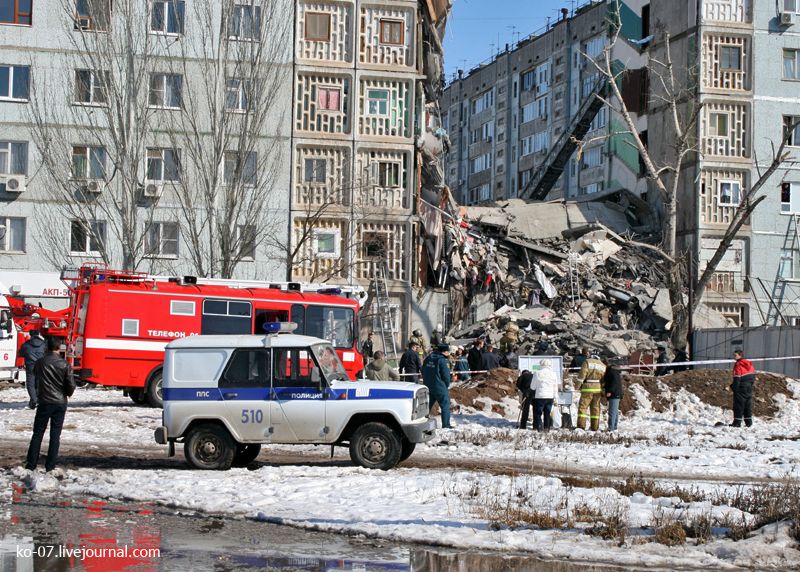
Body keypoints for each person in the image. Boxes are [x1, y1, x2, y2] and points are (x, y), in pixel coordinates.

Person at [25, 336, 76, 474]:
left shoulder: (40, 363)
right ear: (59, 348)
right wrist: (65, 393)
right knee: (55, 435)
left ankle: (31, 464)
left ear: (47, 347)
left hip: (44, 402)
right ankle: (50, 466)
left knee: (37, 433)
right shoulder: (64, 364)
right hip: (59, 402)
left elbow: (35, 379)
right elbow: (71, 385)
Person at [422, 343, 453, 428]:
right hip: (440, 386)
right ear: (445, 351)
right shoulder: (443, 360)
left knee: (427, 405)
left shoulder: (428, 358)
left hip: (428, 386)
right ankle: (446, 425)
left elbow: (422, 370)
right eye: (448, 351)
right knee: (445, 405)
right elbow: (446, 375)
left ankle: (421, 422)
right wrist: (446, 385)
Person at [577, 354, 606, 431]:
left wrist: (577, 386)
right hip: (598, 388)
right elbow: (604, 380)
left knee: (583, 407)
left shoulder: (587, 362)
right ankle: (595, 427)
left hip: (587, 387)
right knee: (595, 408)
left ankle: (581, 426)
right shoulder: (602, 365)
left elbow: (582, 375)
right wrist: (603, 390)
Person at [19, 330, 46, 410]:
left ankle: (34, 400)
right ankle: (36, 400)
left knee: (30, 384)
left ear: (30, 335)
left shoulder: (26, 344)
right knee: (38, 383)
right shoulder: (43, 344)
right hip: (40, 366)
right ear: (38, 334)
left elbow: (21, 353)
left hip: (30, 366)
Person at [731, 349, 756, 428]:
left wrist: (734, 388)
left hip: (741, 387)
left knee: (738, 405)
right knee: (747, 405)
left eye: (735, 355)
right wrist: (750, 384)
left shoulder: (738, 364)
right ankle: (749, 422)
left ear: (740, 355)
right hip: (749, 386)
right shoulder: (749, 364)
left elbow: (737, 377)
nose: (734, 357)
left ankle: (737, 423)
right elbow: (753, 376)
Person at [532, 360, 558, 431]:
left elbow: (532, 387)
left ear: (541, 364)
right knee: (547, 413)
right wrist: (556, 398)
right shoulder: (553, 374)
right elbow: (555, 387)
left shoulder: (537, 373)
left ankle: (539, 428)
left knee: (538, 413)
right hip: (550, 397)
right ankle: (547, 428)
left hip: (540, 396)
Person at [603, 360, 624, 431]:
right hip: (616, 393)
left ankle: (611, 428)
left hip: (614, 394)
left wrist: (609, 391)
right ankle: (614, 427)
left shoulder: (612, 372)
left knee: (612, 412)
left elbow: (614, 383)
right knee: (614, 411)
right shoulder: (613, 371)